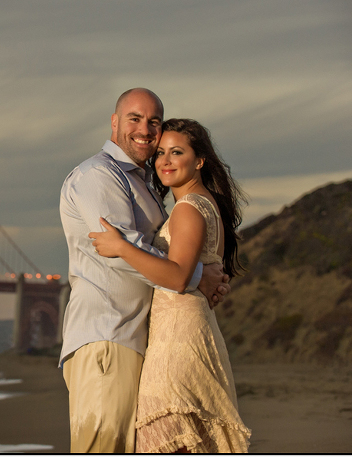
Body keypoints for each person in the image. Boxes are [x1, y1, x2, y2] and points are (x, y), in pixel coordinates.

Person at [59, 89, 229, 454]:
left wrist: (194, 272)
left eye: (154, 121)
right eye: (135, 118)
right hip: (108, 335)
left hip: (139, 339)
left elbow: (149, 250)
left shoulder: (143, 183)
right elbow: (122, 248)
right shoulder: (98, 176)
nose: (145, 129)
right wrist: (198, 276)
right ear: (115, 123)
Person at [89, 118, 251, 454]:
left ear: (199, 160)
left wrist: (122, 247)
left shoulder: (189, 209)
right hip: (189, 332)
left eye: (177, 152)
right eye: (160, 153)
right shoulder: (203, 204)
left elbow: (177, 277)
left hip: (177, 343)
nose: (164, 160)